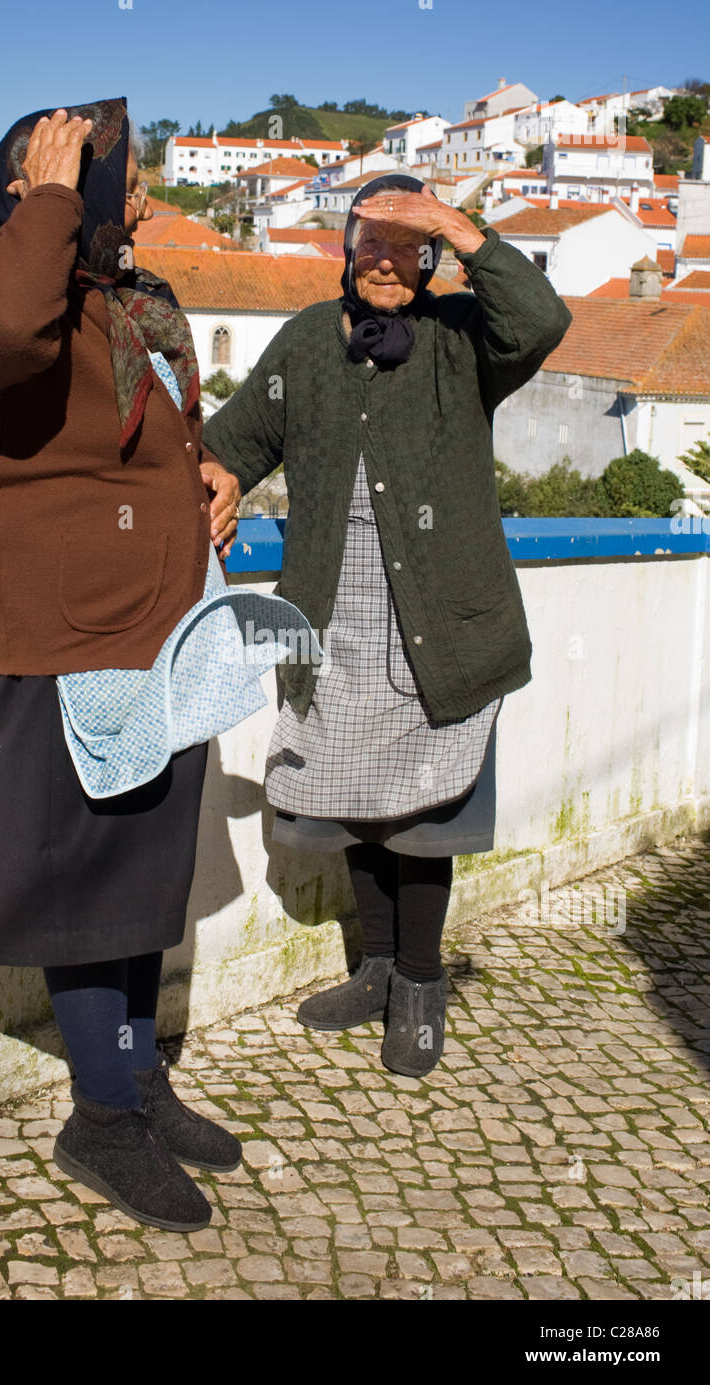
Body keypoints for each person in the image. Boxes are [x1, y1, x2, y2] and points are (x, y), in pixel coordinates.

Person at [0, 97, 287, 1234]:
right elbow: (1, 350)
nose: (137, 203)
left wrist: (212, 474)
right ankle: (100, 1116)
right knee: (87, 883)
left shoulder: (119, 303)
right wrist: (42, 201)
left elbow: (150, 427)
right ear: (43, 188)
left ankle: (136, 1080)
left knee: (138, 876)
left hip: (151, 618)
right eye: (116, 183)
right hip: (60, 628)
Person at [203, 174, 572, 1080]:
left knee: (424, 820)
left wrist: (454, 221)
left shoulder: (463, 339)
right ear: (345, 249)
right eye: (371, 237)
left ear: (432, 256)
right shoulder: (303, 343)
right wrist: (215, 477)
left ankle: (419, 984)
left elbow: (542, 319)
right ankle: (372, 967)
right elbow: (237, 439)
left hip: (438, 616)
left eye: (408, 243)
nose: (386, 257)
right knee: (352, 805)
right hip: (334, 613)